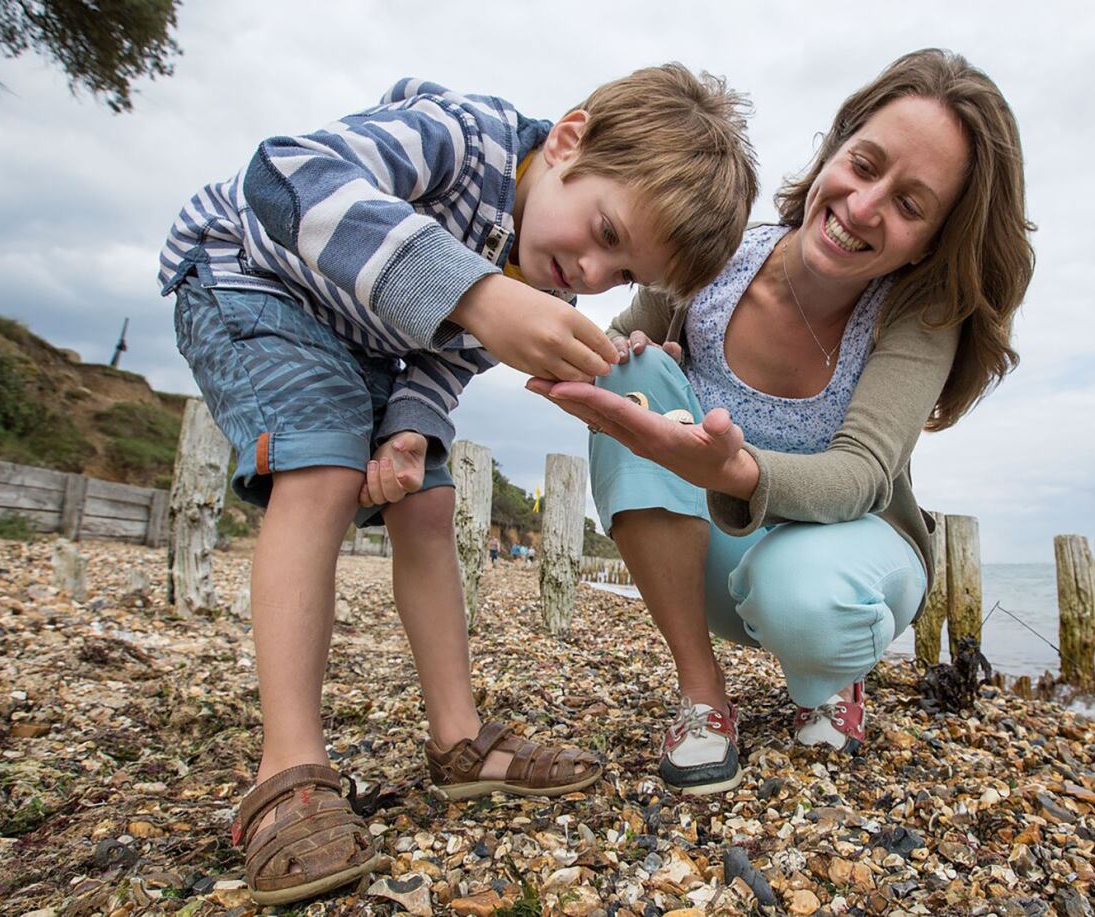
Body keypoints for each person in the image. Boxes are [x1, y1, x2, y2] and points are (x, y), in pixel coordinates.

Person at [160, 66, 757, 902]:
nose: (589, 272)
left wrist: (410, 428)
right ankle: (289, 767)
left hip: (358, 337)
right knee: (326, 467)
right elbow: (285, 176)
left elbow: (443, 358)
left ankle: (461, 739)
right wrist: (480, 293)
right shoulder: (460, 135)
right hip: (249, 274)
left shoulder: (539, 269)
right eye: (604, 231)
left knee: (430, 499)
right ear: (568, 140)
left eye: (619, 275)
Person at [531, 48, 1033, 795]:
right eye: (864, 166)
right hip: (711, 555)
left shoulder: (919, 318)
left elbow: (862, 474)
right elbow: (605, 345)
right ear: (834, 148)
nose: (864, 208)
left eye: (910, 205)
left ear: (935, 238)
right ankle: (703, 695)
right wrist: (627, 351)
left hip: (841, 557)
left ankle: (831, 680)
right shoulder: (719, 256)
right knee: (629, 374)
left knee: (801, 590)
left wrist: (734, 470)